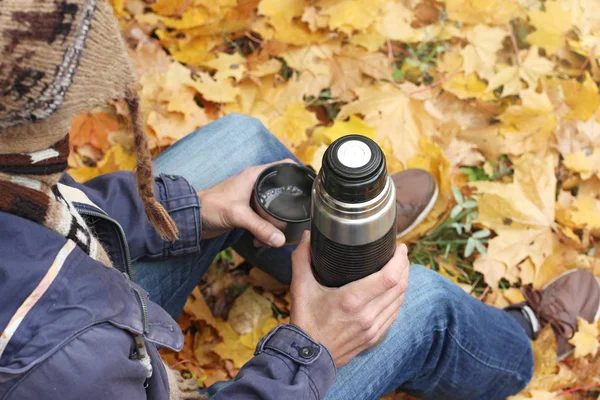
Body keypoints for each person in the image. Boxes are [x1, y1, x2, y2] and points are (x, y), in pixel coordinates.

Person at [1, 1, 599, 399]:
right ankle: (523, 345)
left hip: (68, 301)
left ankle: (344, 238)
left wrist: (192, 209)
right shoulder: (57, 361)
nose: (77, 116)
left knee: (241, 145)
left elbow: (33, 220)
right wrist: (308, 352)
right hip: (70, 349)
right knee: (417, 306)